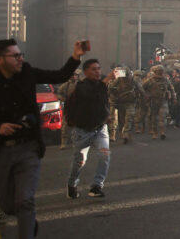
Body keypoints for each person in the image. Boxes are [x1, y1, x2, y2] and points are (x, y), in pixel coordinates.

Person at [0, 39, 83, 239]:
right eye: (16, 56)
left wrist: (76, 56)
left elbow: (59, 75)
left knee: (25, 201)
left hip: (28, 148)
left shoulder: (27, 73)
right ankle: (27, 219)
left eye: (21, 55)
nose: (21, 59)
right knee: (10, 205)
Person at [66, 58, 116, 199]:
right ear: (85, 72)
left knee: (104, 155)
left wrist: (106, 116)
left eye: (99, 68)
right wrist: (107, 79)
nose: (97, 71)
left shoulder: (101, 86)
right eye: (93, 69)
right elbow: (90, 96)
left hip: (100, 129)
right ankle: (72, 184)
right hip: (83, 131)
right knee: (79, 160)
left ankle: (96, 186)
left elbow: (102, 103)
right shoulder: (81, 86)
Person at [107, 66, 143, 144]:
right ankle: (117, 133)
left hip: (130, 102)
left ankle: (126, 134)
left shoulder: (133, 80)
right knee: (120, 120)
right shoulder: (118, 80)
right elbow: (111, 88)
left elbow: (140, 89)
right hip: (120, 102)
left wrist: (144, 97)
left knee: (129, 118)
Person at [141, 66, 177, 140]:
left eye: (161, 71)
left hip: (163, 101)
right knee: (154, 118)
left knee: (163, 116)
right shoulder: (150, 80)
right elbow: (142, 89)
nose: (160, 72)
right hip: (153, 101)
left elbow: (172, 89)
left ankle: (162, 132)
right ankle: (154, 133)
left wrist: (174, 98)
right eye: (159, 71)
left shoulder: (166, 80)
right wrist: (146, 96)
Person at [55, 71, 79, 149]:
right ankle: (64, 143)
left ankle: (77, 142)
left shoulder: (81, 84)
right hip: (68, 108)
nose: (73, 76)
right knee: (65, 126)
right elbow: (58, 93)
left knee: (79, 127)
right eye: (72, 75)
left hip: (79, 108)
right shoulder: (65, 85)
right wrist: (63, 99)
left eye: (75, 75)